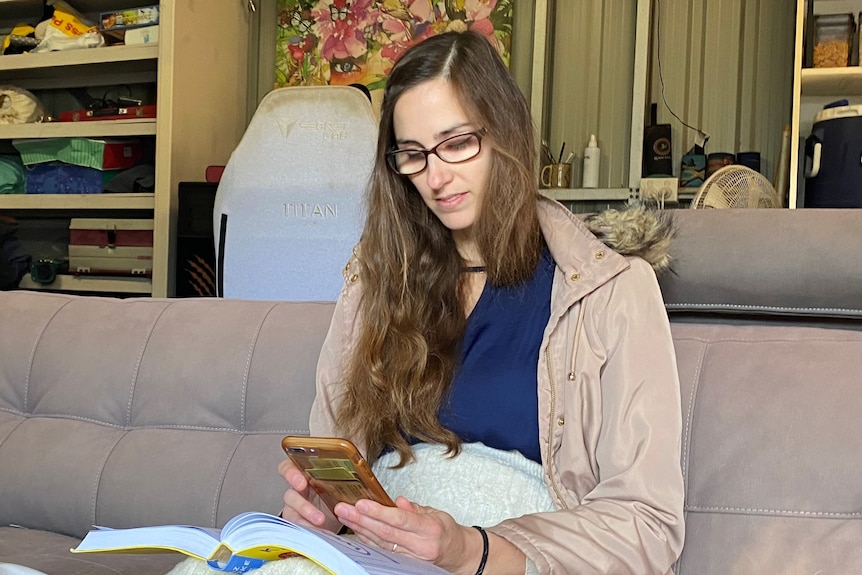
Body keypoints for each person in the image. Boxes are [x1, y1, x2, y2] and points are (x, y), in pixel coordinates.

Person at [279, 30, 685, 575]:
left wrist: (474, 548)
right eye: (414, 154)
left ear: (505, 133)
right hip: (370, 555)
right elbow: (335, 454)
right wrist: (326, 514)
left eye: (456, 142)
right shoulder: (373, 287)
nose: (436, 176)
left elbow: (648, 523)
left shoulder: (609, 291)